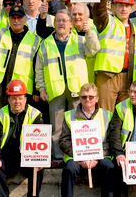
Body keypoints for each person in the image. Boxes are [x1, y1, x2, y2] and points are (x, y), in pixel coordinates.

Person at [35, 9, 100, 164]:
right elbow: (39, 68)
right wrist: (41, 88)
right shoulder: (45, 43)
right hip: (55, 90)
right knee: (57, 127)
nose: (61, 23)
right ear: (54, 23)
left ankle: (79, 155)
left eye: (65, 20)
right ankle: (58, 157)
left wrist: (89, 31)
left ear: (71, 24)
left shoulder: (79, 40)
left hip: (77, 90)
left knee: (78, 125)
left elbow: (94, 49)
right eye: (58, 20)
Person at [93, 0, 136, 112]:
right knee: (105, 113)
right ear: (113, 6)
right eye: (121, 5)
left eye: (127, 5)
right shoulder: (107, 22)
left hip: (129, 78)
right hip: (108, 76)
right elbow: (99, 11)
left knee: (124, 116)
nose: (124, 9)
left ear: (132, 8)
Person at [0, 80, 44, 197]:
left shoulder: (35, 115)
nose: (17, 102)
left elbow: (41, 140)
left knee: (39, 167)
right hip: (8, 157)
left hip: (28, 157)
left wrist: (40, 159)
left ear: (25, 99)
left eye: (20, 98)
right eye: (13, 98)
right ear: (8, 99)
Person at [59, 83, 114, 197]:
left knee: (109, 167)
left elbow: (111, 140)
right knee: (69, 170)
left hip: (100, 156)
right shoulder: (69, 115)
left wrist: (96, 156)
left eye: (91, 96)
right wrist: (79, 156)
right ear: (79, 98)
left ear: (97, 98)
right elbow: (63, 141)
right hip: (75, 157)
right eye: (84, 97)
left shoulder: (107, 115)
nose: (87, 99)